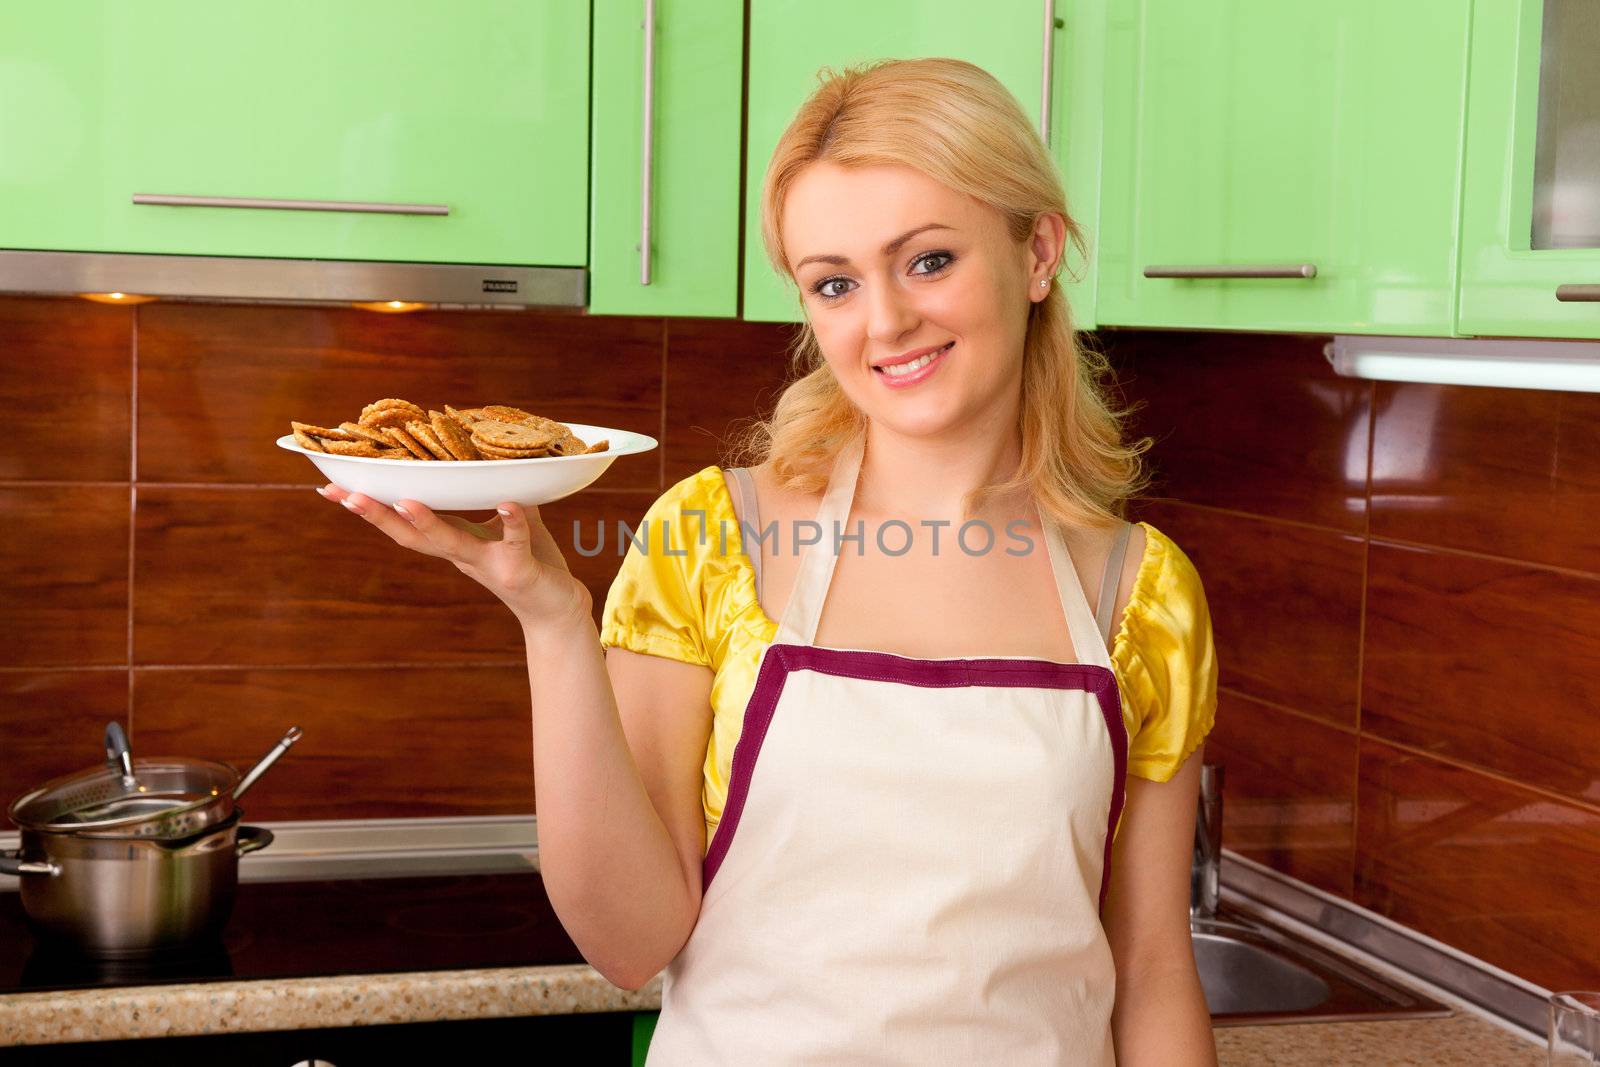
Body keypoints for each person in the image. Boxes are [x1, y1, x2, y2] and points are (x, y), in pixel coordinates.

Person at [318, 55, 1218, 1066]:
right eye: (834, 282)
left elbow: (1150, 969)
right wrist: (551, 621)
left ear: (1039, 250)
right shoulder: (710, 538)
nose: (884, 321)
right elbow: (629, 941)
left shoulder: (1138, 591)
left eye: (927, 260)